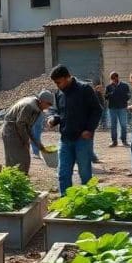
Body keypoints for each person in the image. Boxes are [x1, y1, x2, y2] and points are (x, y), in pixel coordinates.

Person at [47, 65, 103, 195]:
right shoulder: (59, 93)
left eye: (59, 82)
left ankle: (89, 200)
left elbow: (97, 110)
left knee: (85, 175)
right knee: (63, 174)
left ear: (67, 77)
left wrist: (89, 129)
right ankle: (65, 201)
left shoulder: (84, 89)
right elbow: (57, 112)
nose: (57, 86)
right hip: (65, 140)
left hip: (82, 140)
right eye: (55, 83)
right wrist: (53, 119)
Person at [1, 90, 55, 174]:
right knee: (14, 159)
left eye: (50, 105)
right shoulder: (29, 106)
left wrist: (40, 147)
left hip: (18, 129)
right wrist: (25, 140)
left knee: (25, 158)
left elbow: (28, 128)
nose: (48, 107)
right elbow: (20, 123)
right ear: (41, 101)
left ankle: (22, 178)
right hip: (10, 131)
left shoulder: (37, 107)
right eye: (48, 104)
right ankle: (11, 179)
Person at [104, 72, 131, 147]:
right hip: (112, 109)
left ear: (118, 77)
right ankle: (114, 141)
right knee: (113, 125)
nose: (113, 80)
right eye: (112, 78)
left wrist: (124, 99)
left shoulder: (125, 85)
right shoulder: (109, 86)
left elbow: (129, 95)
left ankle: (124, 140)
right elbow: (105, 97)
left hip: (122, 108)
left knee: (123, 125)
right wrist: (110, 94)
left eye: (114, 78)